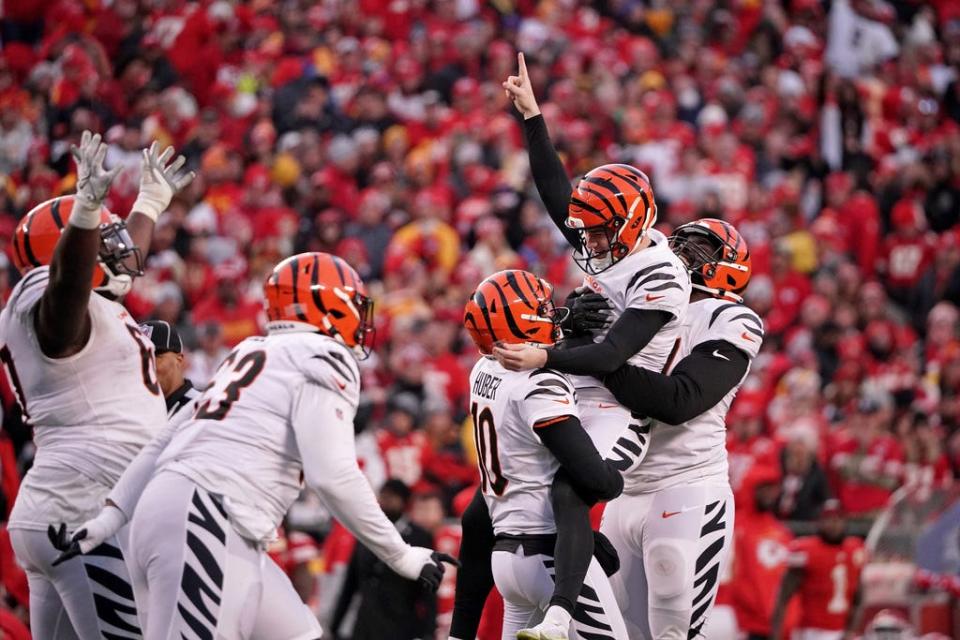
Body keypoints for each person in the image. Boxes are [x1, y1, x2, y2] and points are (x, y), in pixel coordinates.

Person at [51, 252, 456, 638]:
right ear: (328, 306)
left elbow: (167, 438)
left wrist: (108, 520)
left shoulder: (251, 350)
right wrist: (401, 555)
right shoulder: (322, 354)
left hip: (203, 518)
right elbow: (331, 475)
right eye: (352, 303)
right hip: (208, 516)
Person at [489, 52, 690, 639]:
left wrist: (545, 354)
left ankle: (558, 614)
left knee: (570, 486)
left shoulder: (661, 274)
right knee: (498, 491)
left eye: (600, 230)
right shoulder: (611, 240)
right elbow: (557, 195)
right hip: (571, 385)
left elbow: (609, 358)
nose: (588, 240)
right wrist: (533, 119)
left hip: (618, 405)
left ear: (630, 225)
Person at [0, 131, 193, 639]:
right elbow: (67, 291)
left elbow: (108, 261)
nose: (120, 249)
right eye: (100, 241)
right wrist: (86, 211)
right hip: (80, 510)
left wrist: (148, 204)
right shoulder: (49, 301)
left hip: (65, 507)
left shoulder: (90, 304)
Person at [598, 218, 761, 639]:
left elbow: (680, 401)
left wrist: (599, 361)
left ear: (728, 266)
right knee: (621, 633)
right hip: (625, 488)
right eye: (680, 244)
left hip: (686, 485)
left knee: (674, 631)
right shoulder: (643, 299)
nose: (682, 254)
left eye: (699, 249)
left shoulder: (728, 316)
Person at [456, 269, 634, 640]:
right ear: (522, 321)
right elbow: (592, 475)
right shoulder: (539, 384)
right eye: (542, 309)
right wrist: (618, 477)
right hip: (549, 555)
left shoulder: (481, 370)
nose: (551, 314)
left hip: (506, 557)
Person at [330, 479, 437, 640]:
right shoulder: (366, 532)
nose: (384, 501)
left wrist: (429, 631)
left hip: (400, 625)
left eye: (391, 497)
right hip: (365, 624)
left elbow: (428, 589)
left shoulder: (419, 536)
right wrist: (336, 623)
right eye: (383, 496)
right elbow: (350, 583)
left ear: (403, 501)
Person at [770, 499, 866, 640]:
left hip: (842, 632)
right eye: (828, 519)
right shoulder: (806, 551)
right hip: (811, 632)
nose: (833, 524)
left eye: (837, 519)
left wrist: (850, 632)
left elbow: (859, 599)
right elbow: (782, 599)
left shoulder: (855, 550)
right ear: (819, 521)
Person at [139, 320, 199, 417]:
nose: (145, 365)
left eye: (155, 356)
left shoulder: (199, 407)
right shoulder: (130, 409)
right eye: (138, 358)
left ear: (179, 359)